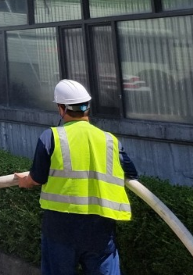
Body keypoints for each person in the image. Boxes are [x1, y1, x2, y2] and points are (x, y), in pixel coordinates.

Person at [14, 79, 136, 275]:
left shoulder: (51, 137)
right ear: (87, 107)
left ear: (61, 109)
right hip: (101, 226)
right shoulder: (110, 140)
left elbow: (36, 178)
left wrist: (23, 181)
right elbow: (131, 172)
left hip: (61, 226)